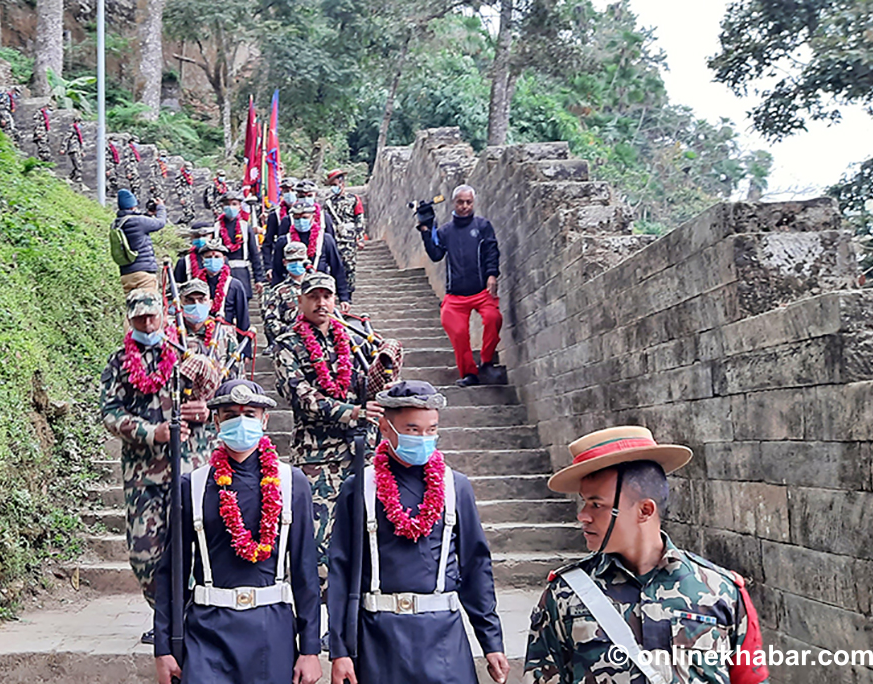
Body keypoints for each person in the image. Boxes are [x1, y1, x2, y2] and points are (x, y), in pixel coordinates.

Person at [524, 426, 770, 684]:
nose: (583, 516)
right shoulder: (564, 595)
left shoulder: (722, 591)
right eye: (584, 503)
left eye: (597, 505)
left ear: (644, 510)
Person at [327, 381, 509, 684]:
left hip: (443, 637)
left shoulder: (456, 486)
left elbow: (476, 567)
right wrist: (339, 649)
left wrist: (491, 641)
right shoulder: (359, 487)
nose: (424, 438)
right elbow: (340, 569)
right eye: (412, 430)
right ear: (385, 427)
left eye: (431, 430)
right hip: (378, 636)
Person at [153, 379, 323, 684]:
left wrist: (310, 648)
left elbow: (305, 571)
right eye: (230, 415)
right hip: (208, 630)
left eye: (250, 414)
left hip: (272, 629)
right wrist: (163, 647)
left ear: (265, 419)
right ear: (216, 420)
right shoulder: (192, 485)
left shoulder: (291, 483)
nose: (240, 421)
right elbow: (171, 572)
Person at [274, 272, 402, 585]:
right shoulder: (286, 344)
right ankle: (317, 623)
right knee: (318, 547)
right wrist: (352, 412)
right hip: (317, 458)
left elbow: (377, 387)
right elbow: (300, 395)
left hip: (363, 453)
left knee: (367, 534)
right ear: (301, 301)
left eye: (327, 296)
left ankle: (356, 624)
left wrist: (386, 366)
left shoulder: (357, 338)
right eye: (314, 297)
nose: (321, 303)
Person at [99, 290, 215, 633]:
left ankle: (191, 617)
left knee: (195, 547)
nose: (147, 324)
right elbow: (110, 414)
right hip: (143, 473)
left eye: (152, 317)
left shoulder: (189, 355)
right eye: (140, 319)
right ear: (130, 320)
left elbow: (224, 400)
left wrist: (206, 411)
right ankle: (163, 614)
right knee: (145, 553)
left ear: (163, 317)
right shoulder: (119, 362)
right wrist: (152, 432)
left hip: (190, 468)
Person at [416, 185, 505, 387]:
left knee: (493, 318)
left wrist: (492, 274)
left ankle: (487, 361)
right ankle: (469, 373)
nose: (464, 206)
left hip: (481, 290)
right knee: (457, 332)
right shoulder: (446, 231)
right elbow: (436, 255)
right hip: (456, 296)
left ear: (473, 203)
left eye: (468, 202)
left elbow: (492, 250)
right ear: (454, 203)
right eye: (460, 202)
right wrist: (425, 230)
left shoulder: (483, 226)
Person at [271, 202, 350, 310]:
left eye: (304, 217)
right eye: (297, 218)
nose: (300, 221)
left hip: (320, 290)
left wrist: (344, 297)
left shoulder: (325, 239)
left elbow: (337, 268)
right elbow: (277, 270)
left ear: (313, 217)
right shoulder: (284, 241)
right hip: (292, 293)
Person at [179, 278, 246, 381]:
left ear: (210, 304)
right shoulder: (172, 335)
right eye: (190, 300)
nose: (196, 304)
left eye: (201, 300)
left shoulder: (224, 335)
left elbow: (237, 377)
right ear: (180, 304)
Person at [114, 189, 168, 294]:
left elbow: (137, 226)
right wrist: (161, 207)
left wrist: (148, 214)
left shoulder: (117, 223)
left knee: (132, 307)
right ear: (133, 206)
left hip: (126, 275)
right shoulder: (138, 221)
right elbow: (160, 223)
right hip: (143, 274)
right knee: (148, 308)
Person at [215, 190, 267, 297]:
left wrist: (258, 279)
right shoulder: (216, 227)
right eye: (227, 204)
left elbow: (254, 254)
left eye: (234, 204)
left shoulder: (244, 227)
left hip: (242, 272)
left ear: (239, 206)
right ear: (222, 206)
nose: (231, 207)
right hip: (222, 273)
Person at [323, 169, 366, 294]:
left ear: (342, 183)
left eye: (335, 184)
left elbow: (359, 218)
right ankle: (335, 292)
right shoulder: (328, 202)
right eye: (331, 185)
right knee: (334, 265)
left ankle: (349, 292)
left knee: (349, 265)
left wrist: (360, 238)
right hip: (333, 237)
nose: (333, 188)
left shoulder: (353, 199)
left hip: (348, 238)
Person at [195, 239, 251, 334]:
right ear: (202, 259)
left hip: (225, 332)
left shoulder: (234, 285)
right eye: (209, 257)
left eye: (217, 257)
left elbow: (242, 317)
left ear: (223, 259)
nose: (213, 260)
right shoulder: (196, 284)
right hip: (200, 332)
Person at [262, 240, 309, 347]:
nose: (297, 263)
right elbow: (270, 321)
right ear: (284, 262)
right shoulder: (278, 291)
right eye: (292, 260)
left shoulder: (316, 287)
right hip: (290, 342)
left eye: (300, 260)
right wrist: (291, 330)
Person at [261, 176, 298, 267]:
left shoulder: (310, 213)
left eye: (292, 190)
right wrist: (268, 266)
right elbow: (267, 243)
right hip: (283, 259)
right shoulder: (275, 215)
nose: (290, 193)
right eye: (286, 191)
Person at [62, 119, 84, 185]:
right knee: (78, 163)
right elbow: (66, 139)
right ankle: (78, 177)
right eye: (80, 123)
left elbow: (80, 142)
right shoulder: (72, 129)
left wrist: (82, 151)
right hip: (73, 149)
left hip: (77, 149)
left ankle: (70, 176)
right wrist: (63, 148)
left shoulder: (77, 131)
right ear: (77, 122)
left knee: (77, 164)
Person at [175, 161, 197, 226]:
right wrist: (181, 197)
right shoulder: (180, 174)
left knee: (192, 213)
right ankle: (179, 223)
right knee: (188, 214)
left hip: (189, 196)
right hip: (184, 196)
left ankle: (186, 225)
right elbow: (178, 186)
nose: (188, 171)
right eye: (187, 170)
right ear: (184, 167)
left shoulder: (189, 175)